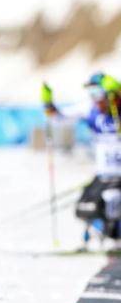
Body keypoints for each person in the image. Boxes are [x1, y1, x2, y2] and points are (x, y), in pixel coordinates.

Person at [43, 73, 121, 247]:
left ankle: (116, 236)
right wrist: (48, 103)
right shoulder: (90, 109)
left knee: (113, 199)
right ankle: (97, 233)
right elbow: (57, 117)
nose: (95, 100)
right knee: (85, 206)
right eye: (91, 94)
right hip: (103, 174)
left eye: (98, 94)